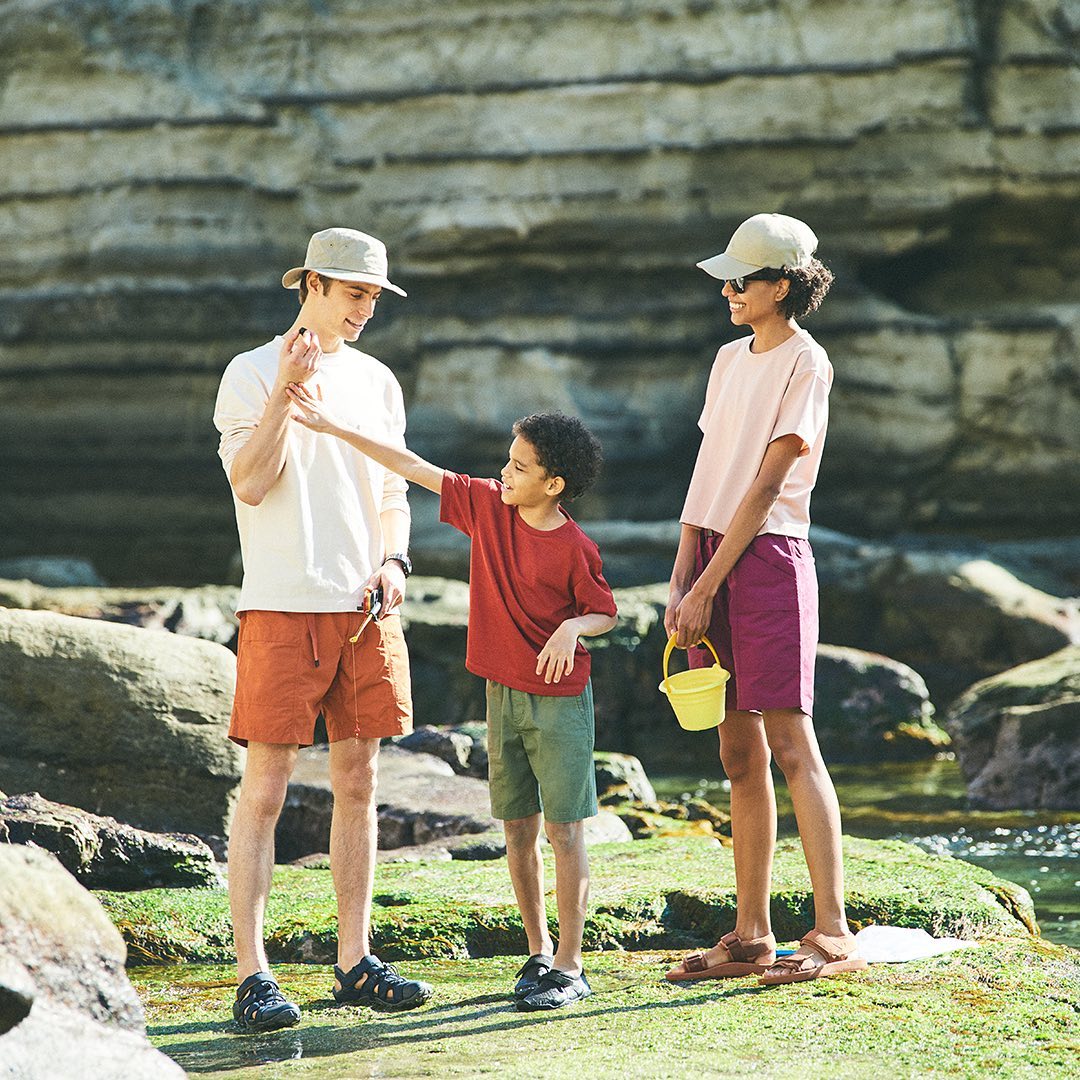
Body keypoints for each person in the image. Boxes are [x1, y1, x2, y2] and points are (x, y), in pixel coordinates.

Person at [284, 389, 618, 1012]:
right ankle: (539, 953)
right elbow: (413, 465)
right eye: (508, 460)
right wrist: (332, 426)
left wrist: (573, 627)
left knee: (564, 832)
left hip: (559, 703)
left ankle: (571, 967)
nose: (504, 472)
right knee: (517, 829)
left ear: (554, 485)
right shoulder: (489, 507)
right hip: (502, 695)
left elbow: (603, 611)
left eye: (519, 466)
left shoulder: (576, 547)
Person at [213, 227, 433, 1033]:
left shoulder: (377, 380)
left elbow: (394, 489)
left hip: (365, 608)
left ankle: (354, 961)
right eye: (354, 293)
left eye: (374, 296)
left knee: (360, 781)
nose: (366, 308)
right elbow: (250, 482)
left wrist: (396, 560)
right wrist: (284, 391)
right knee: (266, 788)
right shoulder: (248, 372)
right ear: (311, 285)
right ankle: (253, 973)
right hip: (279, 602)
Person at [663, 213, 867, 986]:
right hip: (711, 554)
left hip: (770, 559)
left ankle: (833, 932)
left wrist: (708, 584)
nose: (727, 290)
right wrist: (684, 571)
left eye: (740, 280)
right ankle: (751, 935)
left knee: (789, 740)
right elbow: (711, 466)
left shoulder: (807, 363)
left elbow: (767, 485)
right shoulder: (727, 359)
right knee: (735, 750)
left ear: (781, 286)